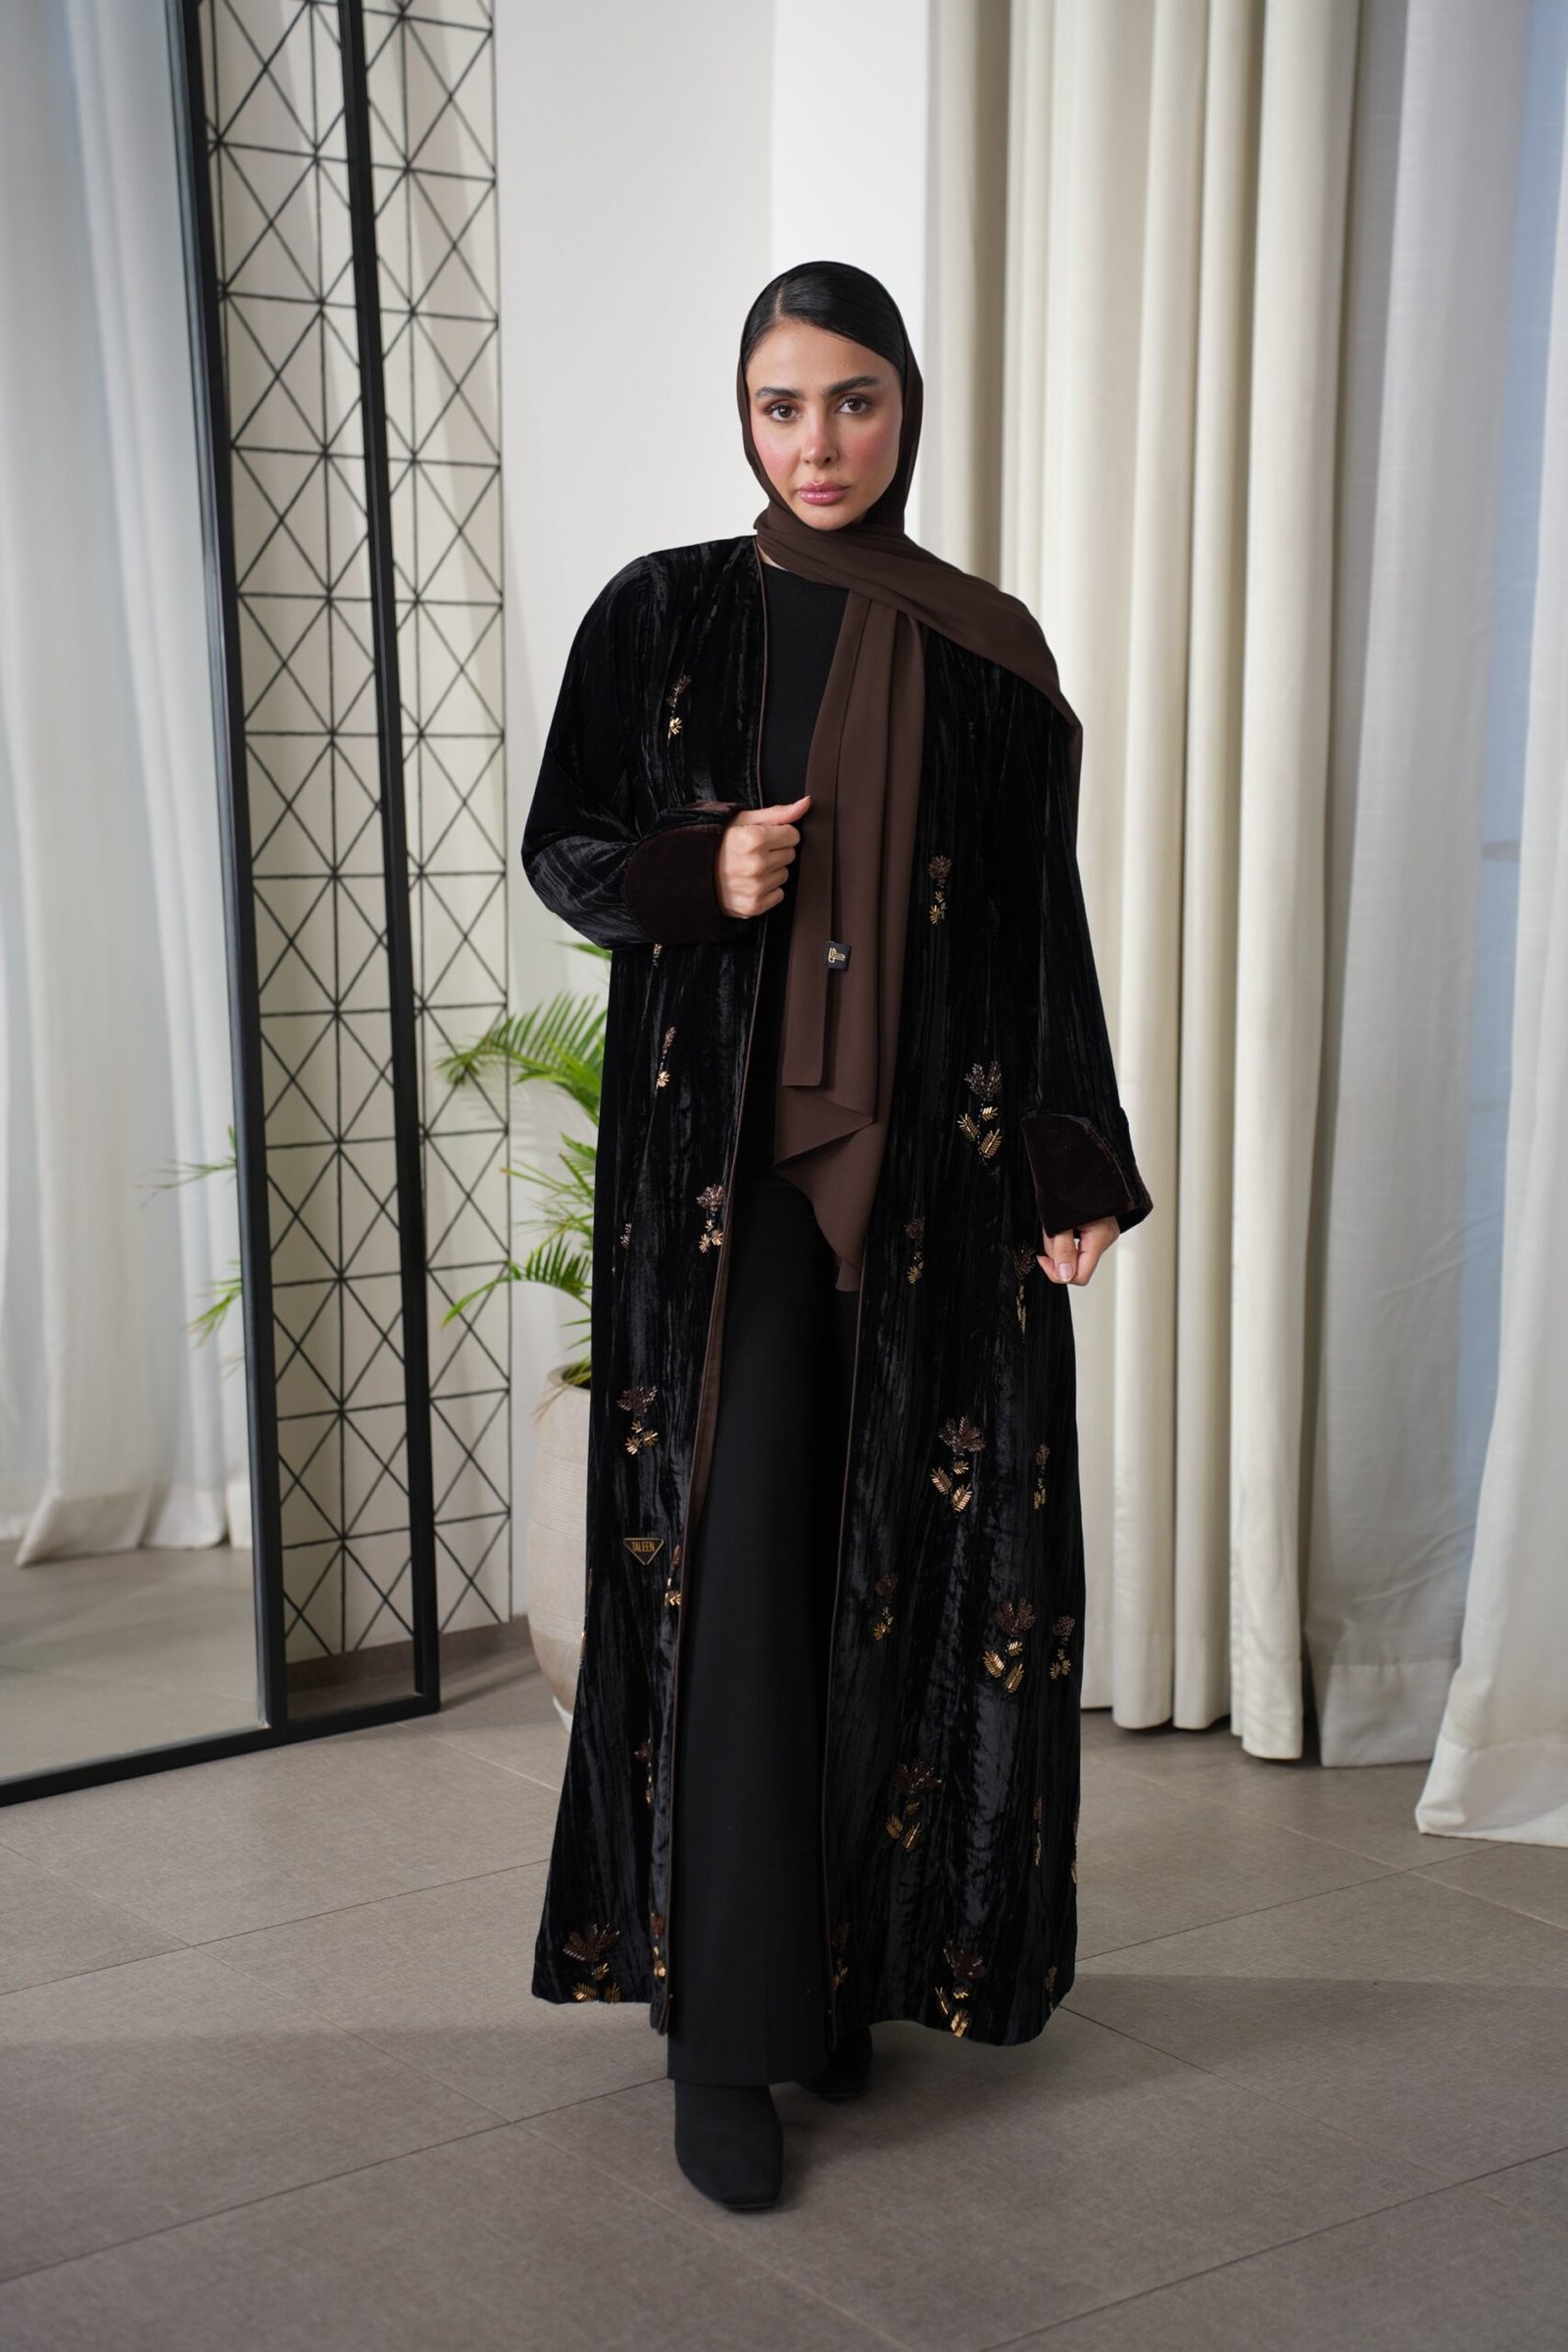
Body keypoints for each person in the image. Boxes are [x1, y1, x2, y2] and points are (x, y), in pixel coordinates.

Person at [520, 262, 1153, 2213]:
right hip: (728, 1194)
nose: (817, 443)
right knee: (737, 1571)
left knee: (894, 1566)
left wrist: (1066, 1167)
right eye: (780, 405)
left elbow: (1035, 929)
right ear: (742, 415)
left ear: (906, 410)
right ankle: (721, 2036)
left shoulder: (987, 652)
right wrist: (691, 871)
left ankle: (836, 1973)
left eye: (853, 400)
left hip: (937, 1185)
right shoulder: (660, 614)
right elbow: (563, 846)